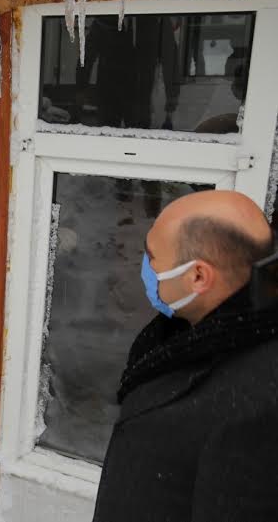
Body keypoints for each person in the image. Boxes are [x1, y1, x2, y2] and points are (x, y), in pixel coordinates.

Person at [93, 190, 278, 522]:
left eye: (152, 257)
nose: (145, 265)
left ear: (198, 277)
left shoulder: (258, 407)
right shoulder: (189, 331)